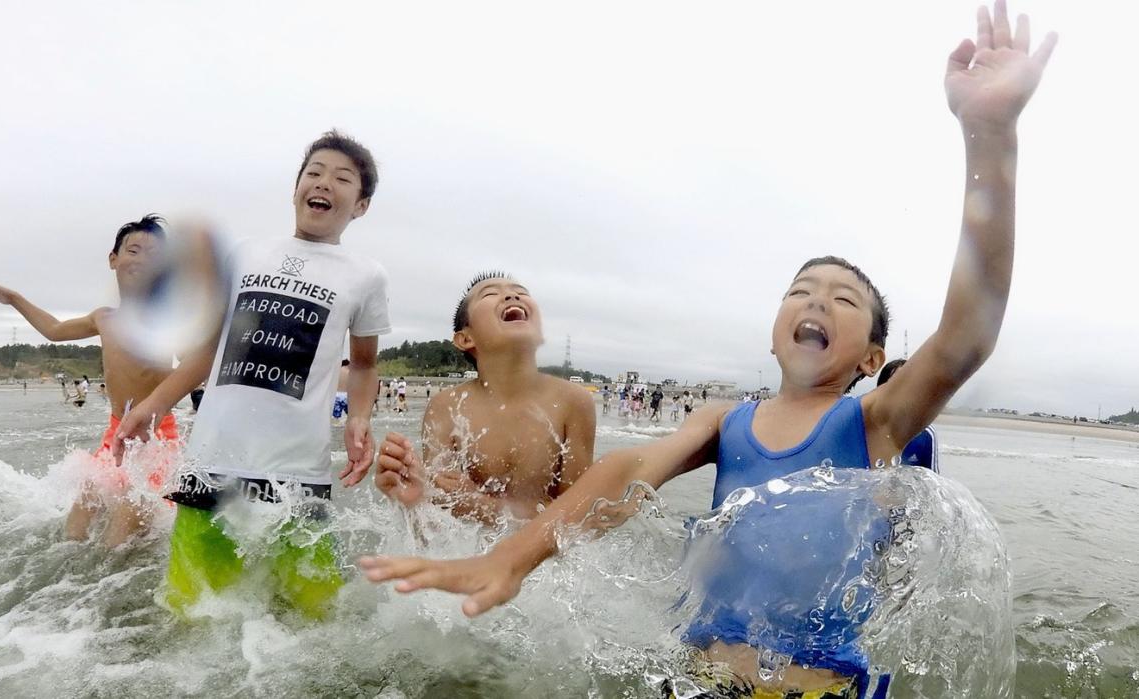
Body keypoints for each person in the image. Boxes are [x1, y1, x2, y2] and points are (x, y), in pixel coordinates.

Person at [361, 6, 1054, 695]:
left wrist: (990, 138)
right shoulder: (725, 421)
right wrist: (514, 556)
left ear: (871, 358)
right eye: (801, 289)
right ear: (774, 329)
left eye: (843, 300)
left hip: (814, 687)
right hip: (692, 680)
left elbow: (966, 336)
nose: (816, 300)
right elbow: (626, 475)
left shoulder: (871, 423)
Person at [113, 129, 389, 620]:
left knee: (315, 622)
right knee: (193, 616)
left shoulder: (365, 275)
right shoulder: (243, 255)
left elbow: (364, 364)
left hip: (297, 474)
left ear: (360, 204)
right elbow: (208, 349)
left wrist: (358, 419)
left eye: (342, 179)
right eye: (314, 173)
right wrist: (154, 407)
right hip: (213, 460)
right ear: (297, 187)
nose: (324, 183)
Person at [0, 214, 179, 548]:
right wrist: (14, 299)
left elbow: (198, 365)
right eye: (134, 250)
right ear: (114, 260)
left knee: (117, 540)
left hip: (155, 438)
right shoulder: (104, 317)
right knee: (75, 526)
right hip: (115, 434)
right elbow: (54, 330)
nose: (143, 259)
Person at [375, 273, 596, 523]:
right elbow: (441, 519)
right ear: (465, 338)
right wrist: (414, 498)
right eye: (490, 293)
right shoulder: (446, 407)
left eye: (521, 292)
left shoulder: (573, 401)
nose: (512, 295)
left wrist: (478, 502)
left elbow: (575, 518)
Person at [875, 360, 939, 472]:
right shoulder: (865, 426)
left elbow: (932, 482)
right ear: (881, 387)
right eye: (896, 383)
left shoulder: (925, 434)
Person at [333, 359, 351, 425]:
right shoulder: (350, 372)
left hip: (336, 396)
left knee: (335, 418)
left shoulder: (336, 372)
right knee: (350, 416)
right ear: (348, 365)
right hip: (346, 396)